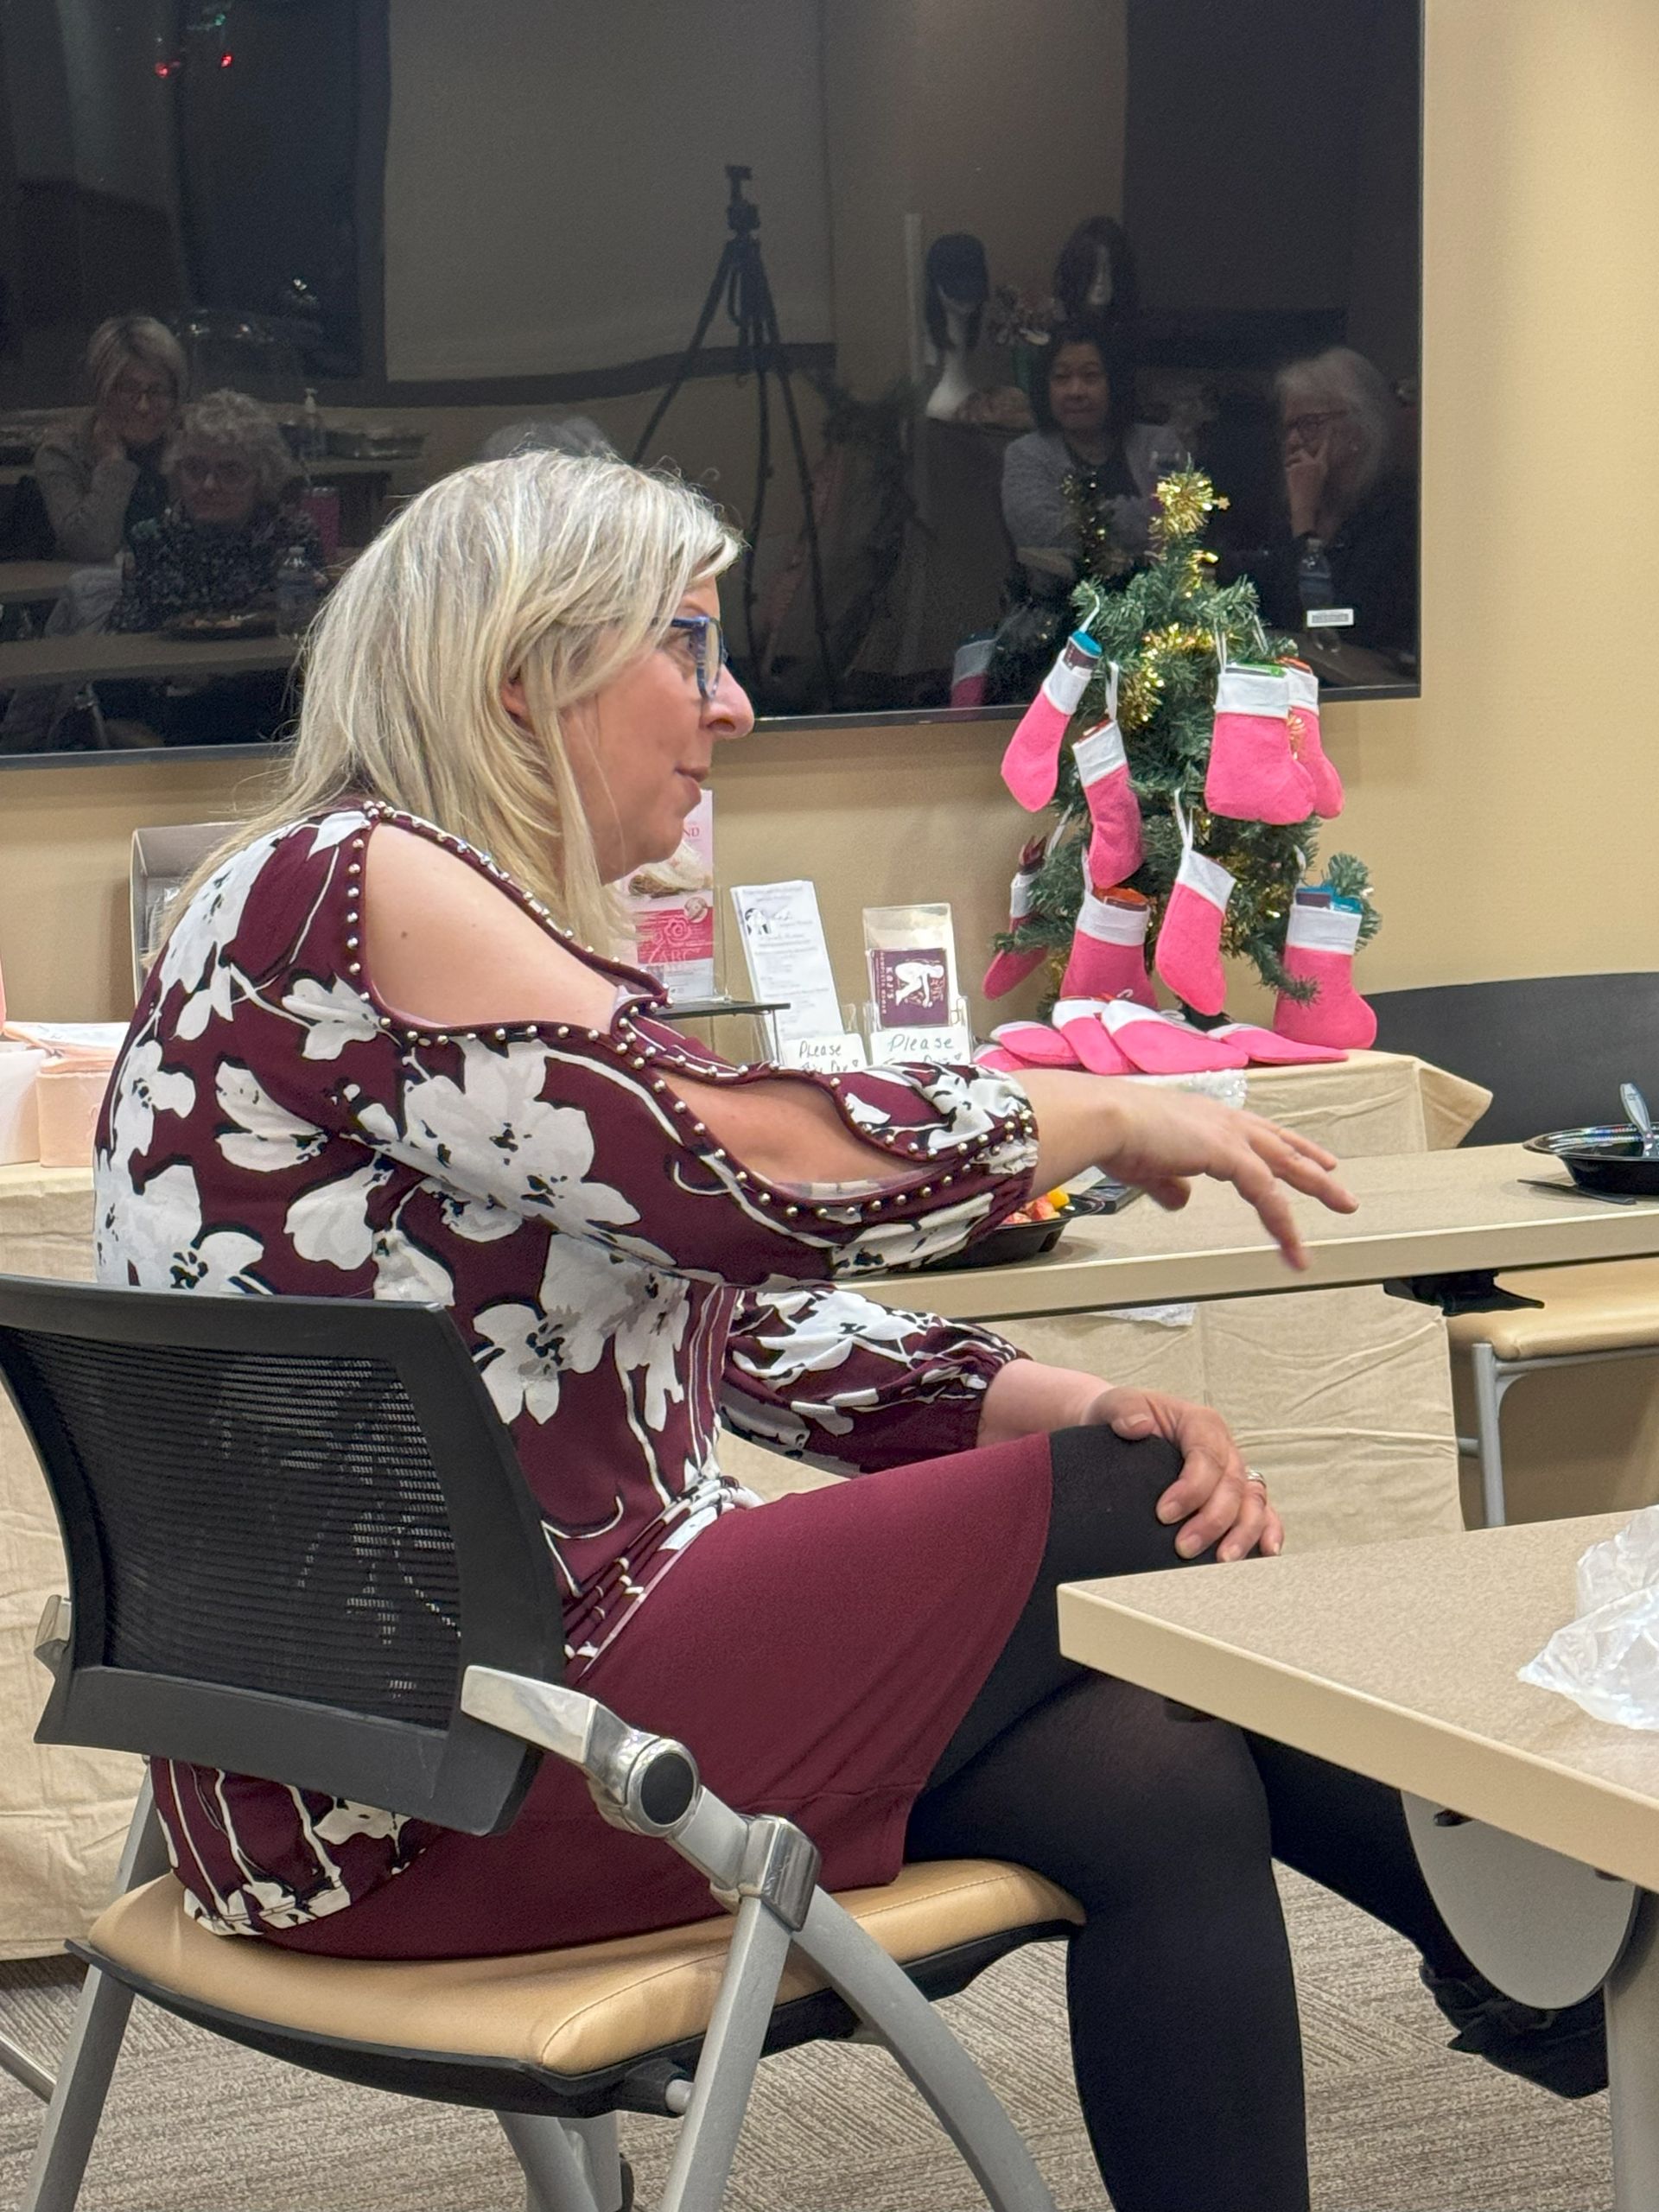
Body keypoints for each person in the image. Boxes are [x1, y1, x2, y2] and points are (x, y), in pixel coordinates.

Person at [94, 454, 1599, 2212]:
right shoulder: (368, 883)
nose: (728, 701)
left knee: (1156, 1771)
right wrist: (1094, 1120)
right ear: (526, 667)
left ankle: (1537, 1936)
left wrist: (1050, 1389)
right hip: (443, 1770)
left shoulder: (303, 894)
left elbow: (724, 1312)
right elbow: (765, 1169)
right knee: (1121, 1500)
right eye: (687, 645)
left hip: (374, 1759)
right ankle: (1543, 1917)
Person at [100, 389, 322, 745]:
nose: (208, 486)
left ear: (261, 477)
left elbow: (303, 645)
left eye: (230, 472)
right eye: (195, 469)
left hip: (267, 704)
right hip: (171, 704)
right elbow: (125, 643)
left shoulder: (292, 536)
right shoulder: (155, 538)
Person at [991, 320, 1153, 702]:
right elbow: (1043, 534)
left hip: (1157, 626)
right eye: (1061, 378)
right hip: (1058, 630)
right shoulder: (1025, 455)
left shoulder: (1158, 445)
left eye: (1091, 377)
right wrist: (1134, 520)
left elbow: (1182, 522)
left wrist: (1091, 521)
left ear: (1114, 383)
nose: (1075, 391)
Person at [1260, 346, 1419, 658]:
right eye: (1288, 428)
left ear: (1358, 429)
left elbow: (1336, 629)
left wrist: (1304, 521)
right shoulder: (1303, 503)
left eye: (1309, 425)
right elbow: (1274, 611)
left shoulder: (1398, 513)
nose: (1293, 442)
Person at [33, 314, 186, 563]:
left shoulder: (194, 443)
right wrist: (113, 466)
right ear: (101, 390)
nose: (144, 406)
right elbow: (90, 549)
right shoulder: (61, 453)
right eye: (128, 389)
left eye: (158, 391)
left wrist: (180, 469)